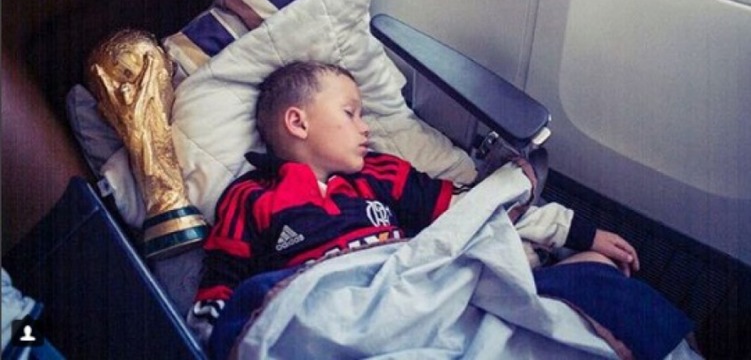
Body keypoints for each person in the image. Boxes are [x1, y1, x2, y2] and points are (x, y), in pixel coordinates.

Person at [189, 61, 697, 359]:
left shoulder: (380, 174)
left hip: (422, 284)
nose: (365, 128)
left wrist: (575, 231)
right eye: (350, 113)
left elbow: (467, 213)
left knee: (599, 274)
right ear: (297, 122)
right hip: (331, 305)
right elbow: (223, 280)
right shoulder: (252, 195)